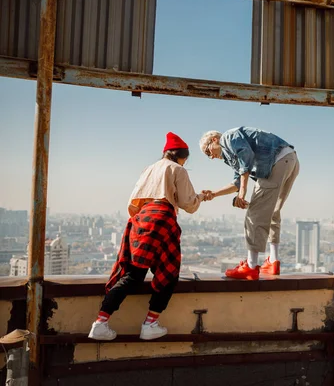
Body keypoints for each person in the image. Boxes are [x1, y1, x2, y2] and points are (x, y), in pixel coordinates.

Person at [88, 132, 204, 341]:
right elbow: (188, 203)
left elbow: (132, 203)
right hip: (162, 220)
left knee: (133, 274)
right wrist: (201, 198)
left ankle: (100, 322)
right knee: (169, 273)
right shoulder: (178, 169)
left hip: (140, 220)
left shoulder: (148, 169)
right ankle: (150, 323)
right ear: (182, 156)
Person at [199, 127, 299, 280]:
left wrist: (242, 193)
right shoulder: (230, 155)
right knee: (273, 212)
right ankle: (273, 260)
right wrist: (214, 194)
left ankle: (251, 267)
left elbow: (246, 157)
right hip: (289, 159)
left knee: (254, 214)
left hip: (275, 162)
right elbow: (236, 182)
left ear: (214, 140)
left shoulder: (228, 137)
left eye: (207, 152)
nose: (210, 157)